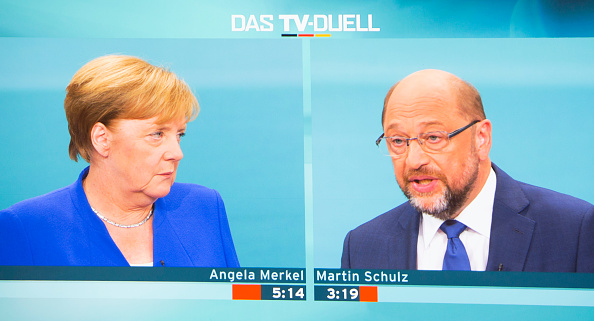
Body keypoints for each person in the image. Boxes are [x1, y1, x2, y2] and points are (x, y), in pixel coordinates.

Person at [341, 69, 594, 272]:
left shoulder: (575, 231)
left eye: (433, 137)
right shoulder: (362, 248)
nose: (413, 160)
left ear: (481, 138)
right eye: (397, 141)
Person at [0, 55, 239, 267]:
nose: (177, 153)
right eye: (157, 134)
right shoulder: (26, 228)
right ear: (102, 139)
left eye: (179, 135)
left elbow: (238, 306)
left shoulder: (204, 208)